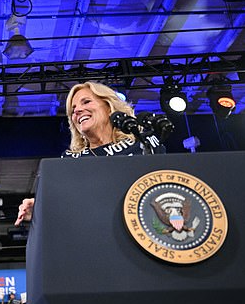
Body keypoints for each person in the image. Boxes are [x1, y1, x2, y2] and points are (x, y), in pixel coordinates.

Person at [15, 81, 164, 225]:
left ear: (109, 107)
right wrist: (39, 209)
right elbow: (65, 205)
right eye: (73, 110)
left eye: (86, 102)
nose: (77, 111)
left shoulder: (142, 142)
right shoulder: (69, 161)